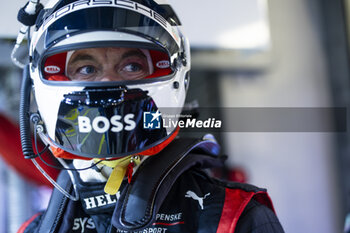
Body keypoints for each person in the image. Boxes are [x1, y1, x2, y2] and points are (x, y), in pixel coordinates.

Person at [15, 0, 284, 232]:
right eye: (86, 68)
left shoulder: (236, 217)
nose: (108, 81)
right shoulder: (35, 229)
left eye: (132, 66)